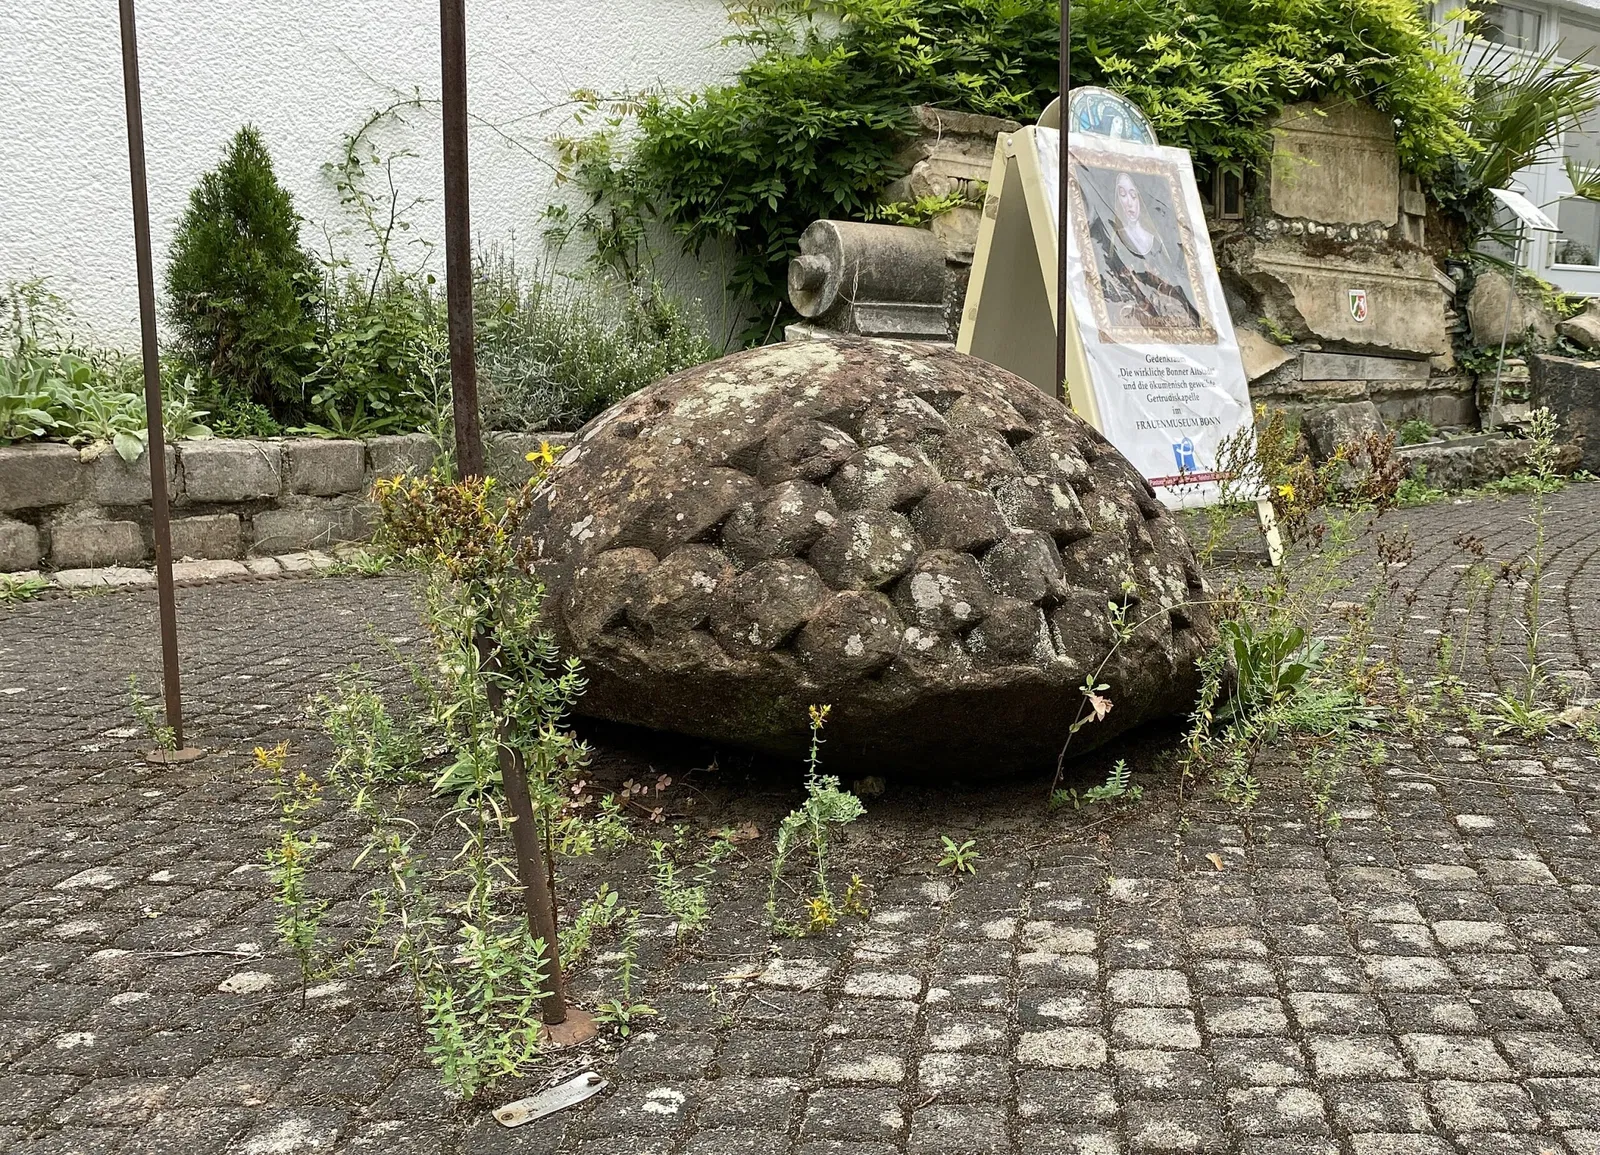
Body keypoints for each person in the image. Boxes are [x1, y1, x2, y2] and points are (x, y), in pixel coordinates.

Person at [1087, 171, 1204, 335]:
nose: (1129, 202)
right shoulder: (1112, 241)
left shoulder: (1155, 240)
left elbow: (1170, 278)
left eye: (1133, 195)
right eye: (1123, 195)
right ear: (1117, 199)